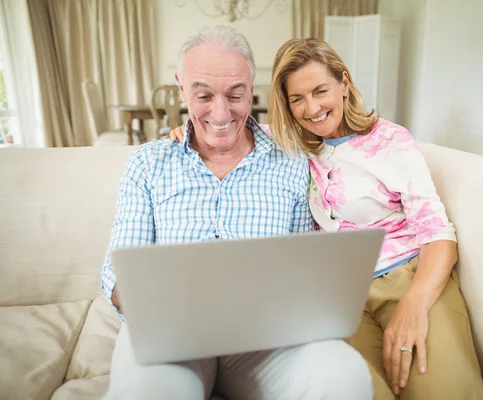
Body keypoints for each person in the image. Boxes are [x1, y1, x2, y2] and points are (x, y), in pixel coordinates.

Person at [100, 26, 374, 400]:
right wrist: (161, 306)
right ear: (182, 89)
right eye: (203, 95)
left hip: (266, 341)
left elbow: (304, 262)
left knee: (343, 374)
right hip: (172, 340)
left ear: (251, 88)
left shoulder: (292, 159)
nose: (221, 111)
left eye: (235, 94)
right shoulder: (149, 163)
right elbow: (116, 275)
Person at [269, 38, 483, 400]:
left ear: (343, 82)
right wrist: (184, 132)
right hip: (344, 298)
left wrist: (412, 306)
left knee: (445, 393)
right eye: (297, 99)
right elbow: (228, 130)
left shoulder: (389, 141)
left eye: (321, 90)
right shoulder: (295, 149)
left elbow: (439, 234)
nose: (312, 108)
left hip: (409, 279)